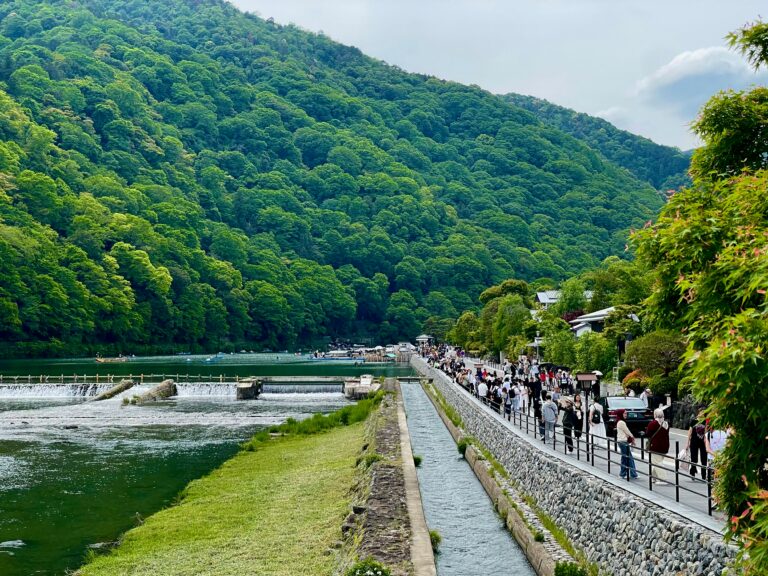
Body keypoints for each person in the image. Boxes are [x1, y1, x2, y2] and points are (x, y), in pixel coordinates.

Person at [645, 408, 670, 484]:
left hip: (655, 446)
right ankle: (654, 477)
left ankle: (663, 479)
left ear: (655, 415)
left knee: (657, 462)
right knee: (658, 461)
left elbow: (648, 434)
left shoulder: (653, 424)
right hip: (665, 445)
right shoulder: (666, 423)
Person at [616, 409, 638, 480]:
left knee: (627, 458)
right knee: (626, 458)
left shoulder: (620, 421)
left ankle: (632, 474)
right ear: (621, 414)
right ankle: (623, 474)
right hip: (623, 442)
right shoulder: (621, 422)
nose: (626, 415)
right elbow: (627, 431)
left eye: (626, 413)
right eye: (624, 413)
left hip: (622, 442)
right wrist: (633, 437)